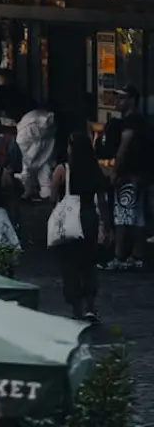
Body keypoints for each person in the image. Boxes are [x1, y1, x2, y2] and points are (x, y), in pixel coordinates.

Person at [51, 132, 112, 321]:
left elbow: (53, 197)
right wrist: (108, 226)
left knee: (69, 263)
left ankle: (76, 307)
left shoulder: (62, 170)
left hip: (69, 218)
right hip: (88, 217)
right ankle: (90, 305)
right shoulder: (95, 170)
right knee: (88, 262)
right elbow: (102, 200)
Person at [101, 85, 149, 271]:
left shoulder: (131, 122)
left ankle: (120, 255)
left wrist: (115, 171)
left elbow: (124, 148)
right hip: (137, 174)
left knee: (122, 215)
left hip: (129, 175)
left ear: (131, 100)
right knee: (136, 216)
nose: (117, 102)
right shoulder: (137, 121)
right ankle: (137, 254)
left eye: (121, 98)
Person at [15, 102, 57, 201]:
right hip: (46, 138)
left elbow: (25, 155)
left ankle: (28, 191)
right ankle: (45, 192)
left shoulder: (28, 121)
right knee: (44, 167)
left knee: (27, 167)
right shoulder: (45, 119)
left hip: (31, 136)